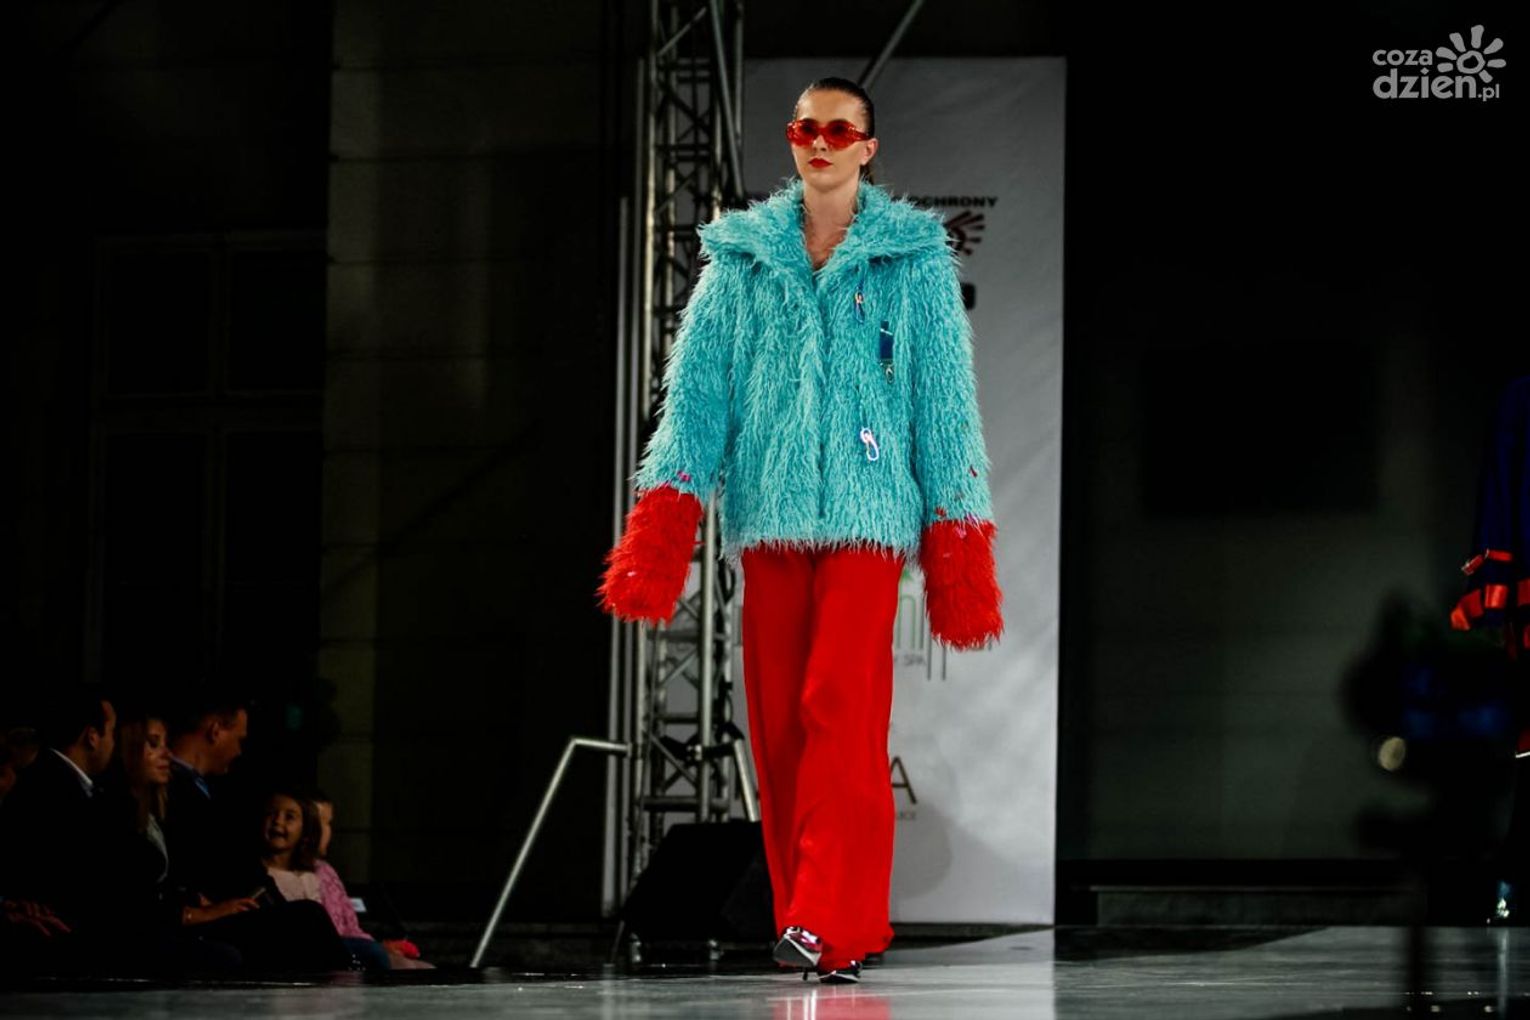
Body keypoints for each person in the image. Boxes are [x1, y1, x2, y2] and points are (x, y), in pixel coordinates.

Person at [598, 77, 1003, 984]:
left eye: (839, 130)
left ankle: (824, 914)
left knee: (838, 708)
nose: (820, 141)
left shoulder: (914, 260)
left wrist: (956, 541)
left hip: (868, 519)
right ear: (791, 140)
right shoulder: (739, 259)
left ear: (867, 148)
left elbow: (943, 406)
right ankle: (821, 923)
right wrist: (664, 522)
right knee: (780, 725)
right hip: (772, 517)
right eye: (806, 127)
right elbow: (696, 399)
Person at [162, 694, 352, 972]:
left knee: (310, 921)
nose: (239, 751)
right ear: (216, 731)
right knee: (307, 919)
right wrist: (199, 907)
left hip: (232, 902)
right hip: (201, 913)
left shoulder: (208, 790)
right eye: (238, 739)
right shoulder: (174, 790)